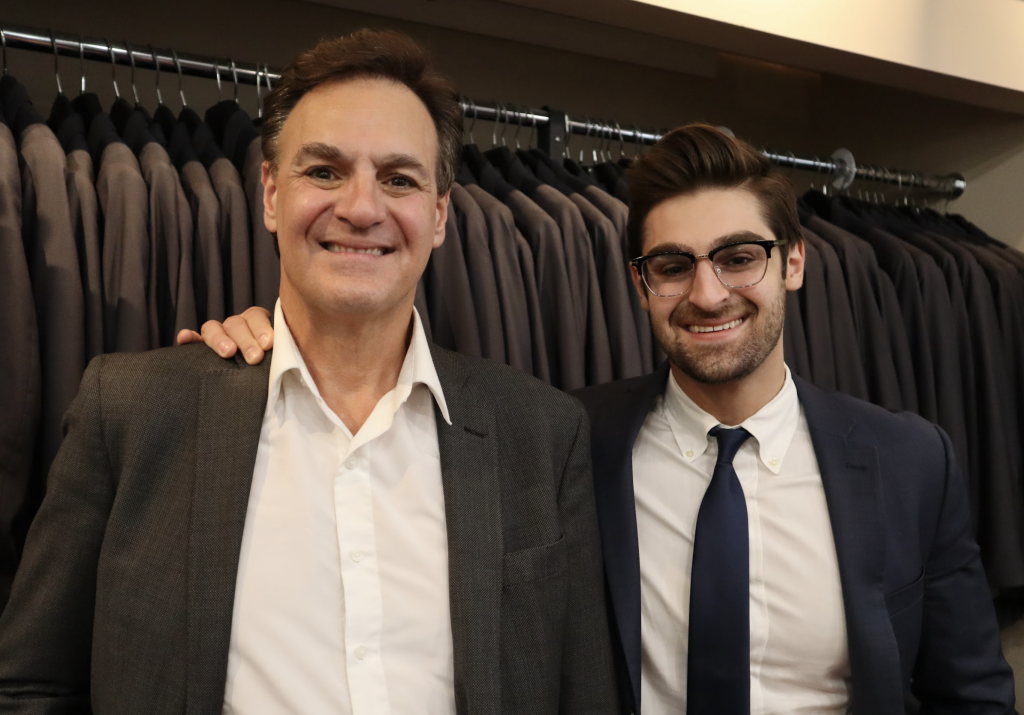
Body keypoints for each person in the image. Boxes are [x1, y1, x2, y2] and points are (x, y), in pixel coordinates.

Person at [197, 124, 1016, 715]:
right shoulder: (562, 440)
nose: (707, 293)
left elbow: (970, 693)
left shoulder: (909, 461)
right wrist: (262, 343)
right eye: (673, 265)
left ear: (793, 261)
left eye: (739, 257)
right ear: (638, 282)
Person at [0, 30, 617, 715]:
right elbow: (32, 686)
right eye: (324, 171)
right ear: (271, 193)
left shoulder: (542, 434)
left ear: (439, 214)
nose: (359, 208)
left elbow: (580, 693)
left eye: (399, 178)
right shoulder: (134, 411)